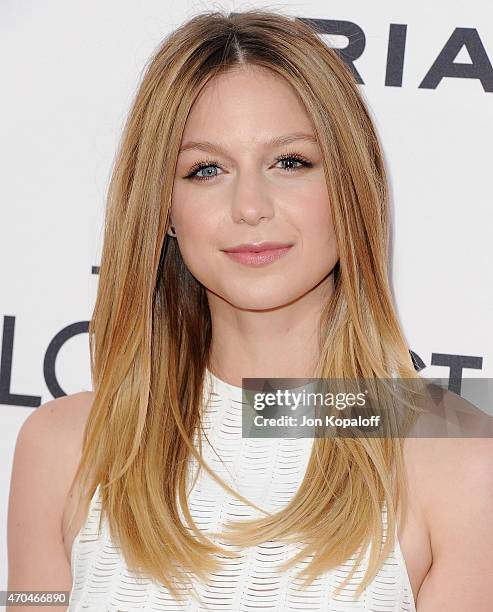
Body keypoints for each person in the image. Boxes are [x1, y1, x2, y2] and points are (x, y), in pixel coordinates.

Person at [7, 9, 493, 612]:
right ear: (163, 208)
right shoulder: (62, 447)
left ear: (350, 184)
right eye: (206, 169)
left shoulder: (455, 451)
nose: (250, 206)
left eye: (290, 162)